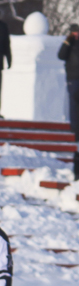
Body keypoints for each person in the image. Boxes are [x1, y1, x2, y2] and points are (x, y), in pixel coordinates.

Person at [57, 24, 79, 179]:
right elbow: (61, 55)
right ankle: (75, 128)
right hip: (72, 78)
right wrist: (67, 42)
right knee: (74, 104)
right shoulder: (68, 44)